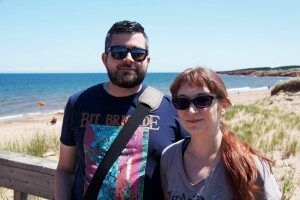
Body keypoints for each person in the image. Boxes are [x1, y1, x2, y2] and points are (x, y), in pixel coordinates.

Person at [54, 20, 187, 200]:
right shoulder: (78, 102)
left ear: (147, 61)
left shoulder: (169, 108)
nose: (129, 59)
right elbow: (65, 169)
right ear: (104, 58)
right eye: (119, 52)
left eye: (138, 53)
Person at [160, 67, 282, 199]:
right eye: (182, 102)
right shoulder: (169, 157)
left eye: (202, 100)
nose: (191, 110)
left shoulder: (250, 164)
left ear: (223, 105)